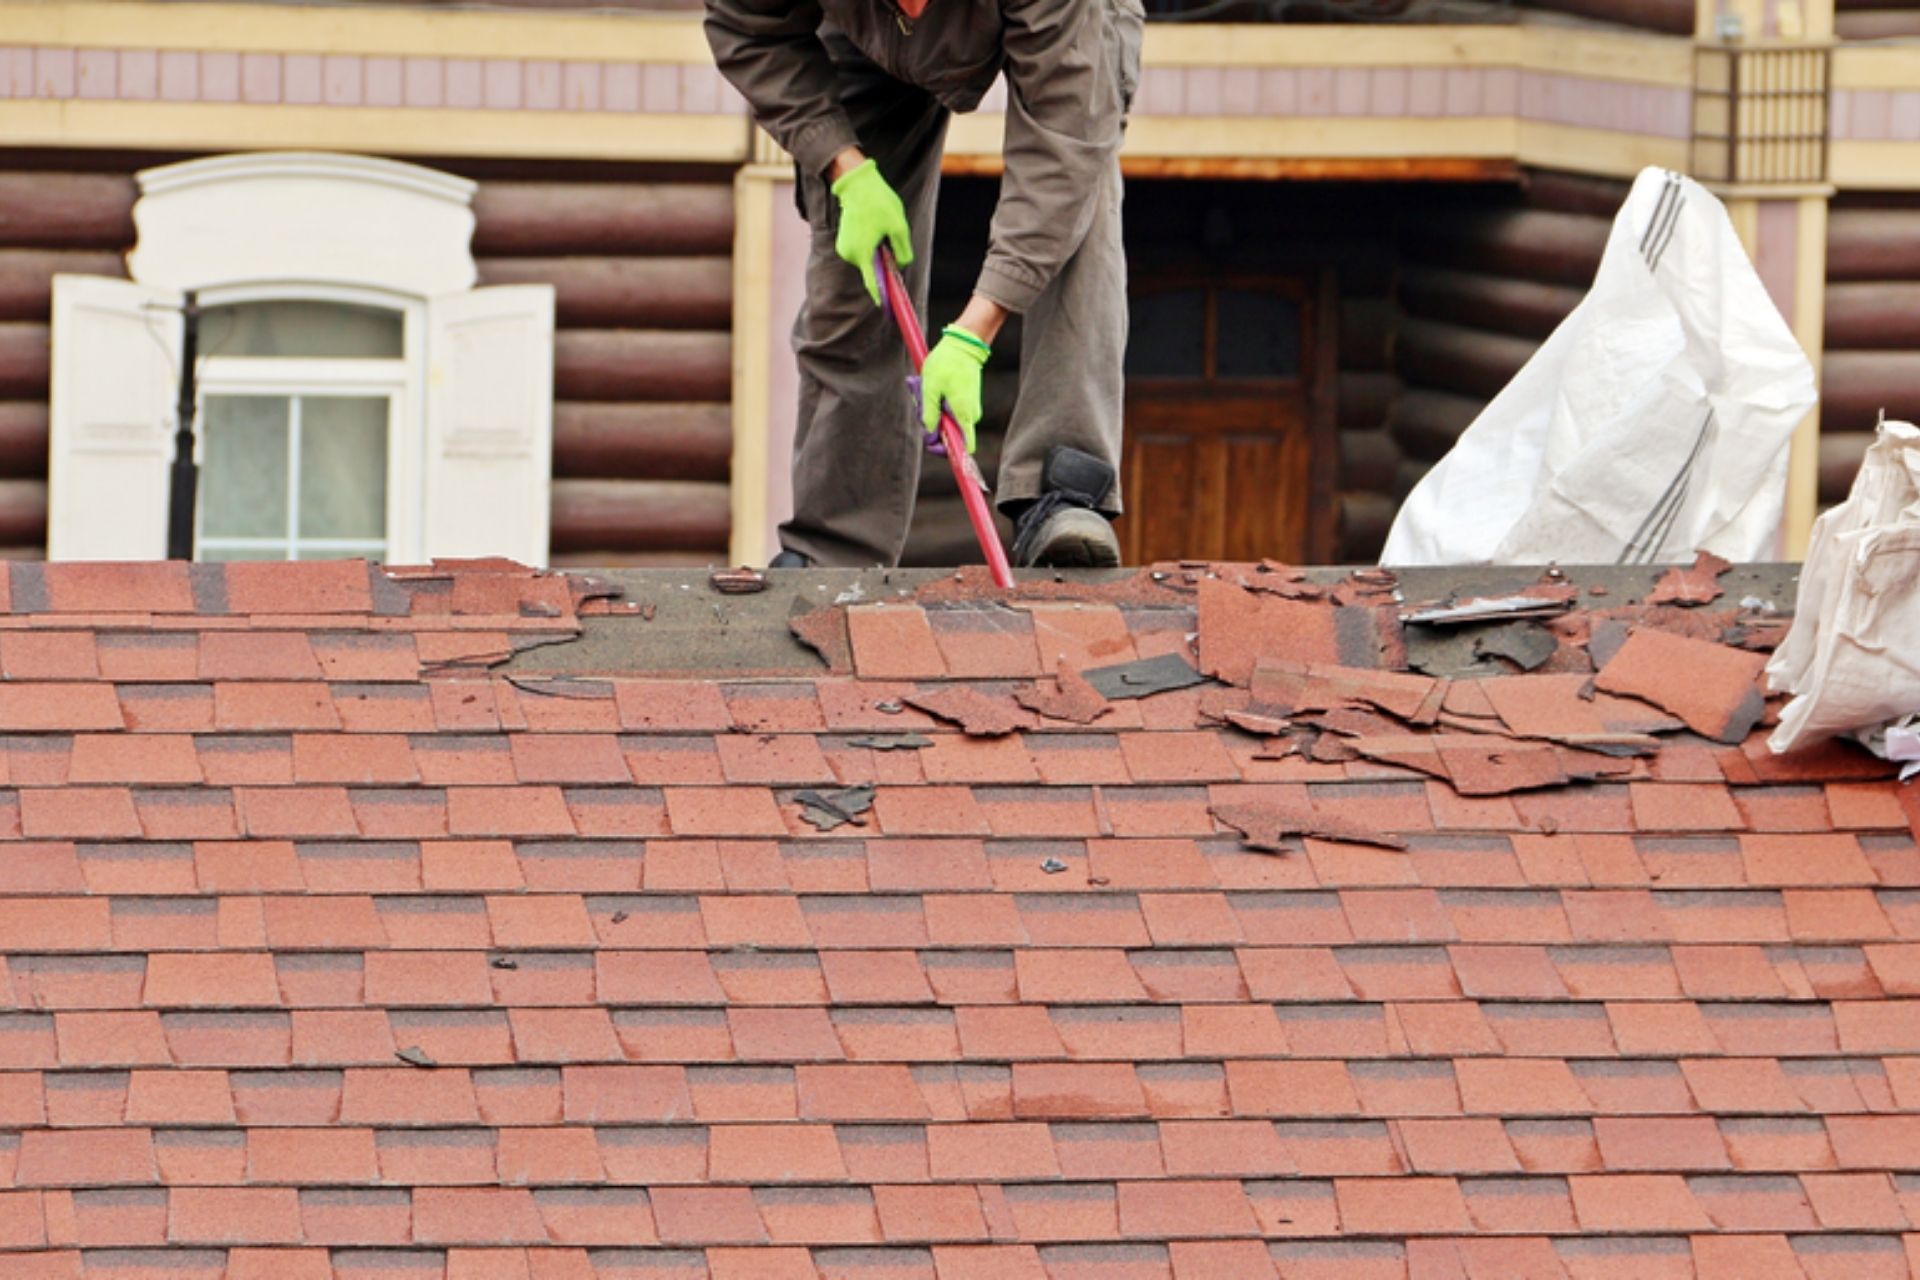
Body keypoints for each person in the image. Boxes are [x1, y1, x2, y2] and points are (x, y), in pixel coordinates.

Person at [705, 0, 1143, 569]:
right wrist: (844, 165)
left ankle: (1064, 491)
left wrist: (973, 335)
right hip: (867, 38)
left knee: (1078, 206)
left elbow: (1062, 153)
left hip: (1067, 34)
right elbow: (747, 29)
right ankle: (837, 546)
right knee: (853, 265)